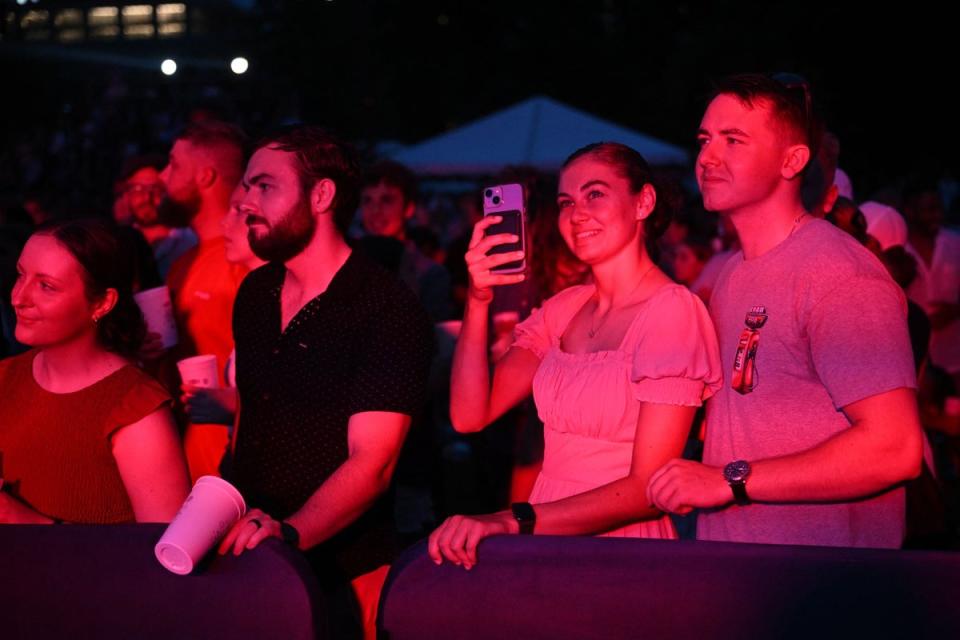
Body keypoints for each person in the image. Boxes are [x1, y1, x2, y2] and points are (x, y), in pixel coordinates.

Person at [648, 73, 923, 549]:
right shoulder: (734, 273)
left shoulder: (839, 274)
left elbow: (895, 449)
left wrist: (729, 479)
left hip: (819, 590)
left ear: (792, 160)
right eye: (705, 140)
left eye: (734, 140)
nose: (708, 157)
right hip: (745, 577)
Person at [428, 142, 722, 569]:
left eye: (595, 194)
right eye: (566, 201)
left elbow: (646, 488)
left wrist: (513, 520)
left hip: (618, 545)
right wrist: (478, 299)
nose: (576, 213)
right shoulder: (566, 307)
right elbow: (469, 415)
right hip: (546, 530)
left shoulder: (672, 311)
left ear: (643, 202)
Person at [217, 126, 433, 638]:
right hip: (248, 556)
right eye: (247, 185)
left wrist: (289, 534)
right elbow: (250, 420)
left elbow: (373, 463)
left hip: (343, 569)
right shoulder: (256, 291)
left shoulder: (385, 307)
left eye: (264, 186)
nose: (246, 200)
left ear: (322, 195)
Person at [0, 219, 190, 524]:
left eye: (46, 286)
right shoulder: (5, 378)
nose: (19, 298)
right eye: (20, 275)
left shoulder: (136, 410)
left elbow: (162, 555)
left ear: (101, 303)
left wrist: (23, 520)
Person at [159, 121, 250, 481]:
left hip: (227, 468)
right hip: (184, 460)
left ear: (206, 176)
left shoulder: (245, 263)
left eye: (174, 165)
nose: (163, 176)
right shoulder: (183, 262)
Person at [180, 184, 265, 427]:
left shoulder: (293, 300)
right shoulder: (258, 297)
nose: (224, 223)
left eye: (239, 210)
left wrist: (237, 405)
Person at [357, 161, 453, 321]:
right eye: (368, 201)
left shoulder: (430, 273)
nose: (375, 210)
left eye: (386, 200)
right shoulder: (347, 262)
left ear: (409, 209)